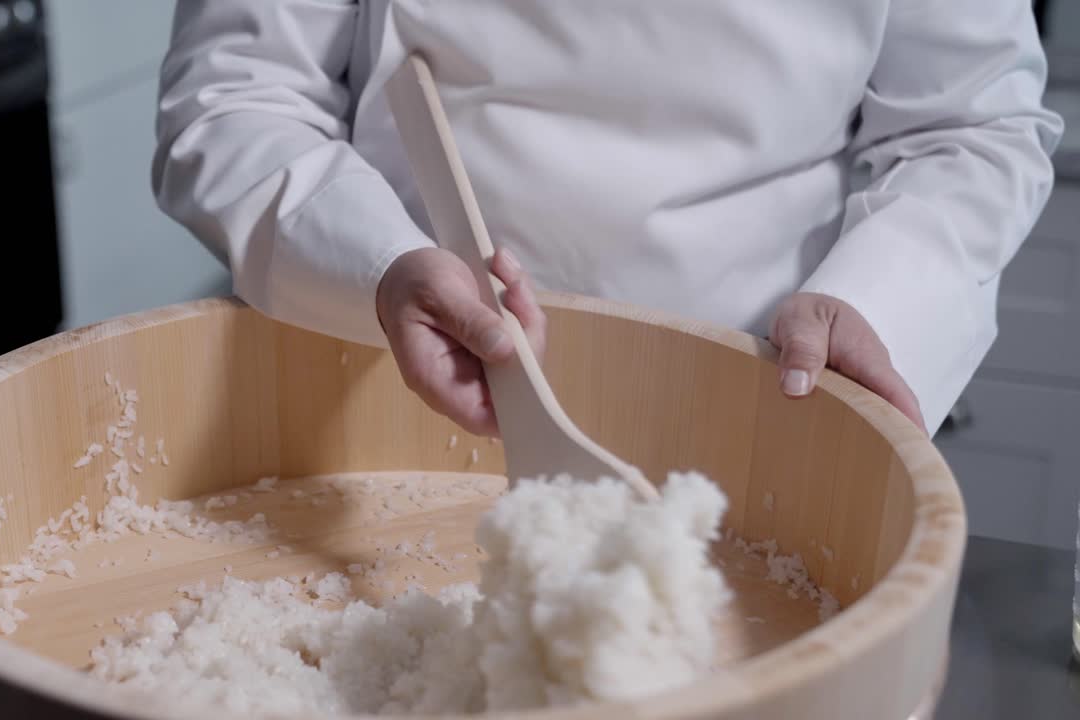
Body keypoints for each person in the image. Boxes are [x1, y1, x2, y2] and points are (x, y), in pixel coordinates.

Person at [152, 1, 1063, 439]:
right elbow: (238, 96)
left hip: (772, 414)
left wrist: (882, 299)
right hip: (391, 393)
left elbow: (971, 125)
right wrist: (376, 262)